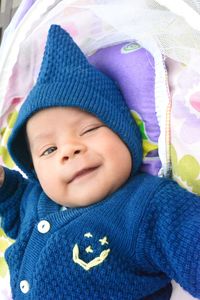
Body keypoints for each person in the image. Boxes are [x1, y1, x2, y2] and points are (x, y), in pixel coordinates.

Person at [0, 24, 199, 300]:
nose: (68, 150)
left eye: (89, 130)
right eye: (49, 150)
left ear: (124, 134)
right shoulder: (35, 199)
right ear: (34, 170)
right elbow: (15, 207)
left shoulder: (145, 206)